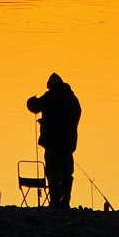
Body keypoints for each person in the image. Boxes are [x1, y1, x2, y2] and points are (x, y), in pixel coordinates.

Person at [26, 72, 81, 208]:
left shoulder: (51, 96)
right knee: (67, 173)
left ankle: (55, 202)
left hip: (52, 143)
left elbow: (34, 106)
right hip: (68, 144)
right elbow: (76, 116)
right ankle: (65, 202)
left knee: (52, 172)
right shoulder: (73, 99)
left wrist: (31, 99)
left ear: (50, 86)